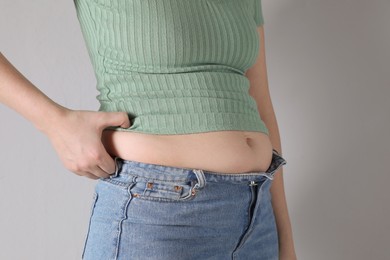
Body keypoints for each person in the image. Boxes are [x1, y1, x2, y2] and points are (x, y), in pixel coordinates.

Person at [0, 0, 296, 259]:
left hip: (257, 218)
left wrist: (285, 238)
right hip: (158, 217)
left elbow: (261, 102)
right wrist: (55, 123)